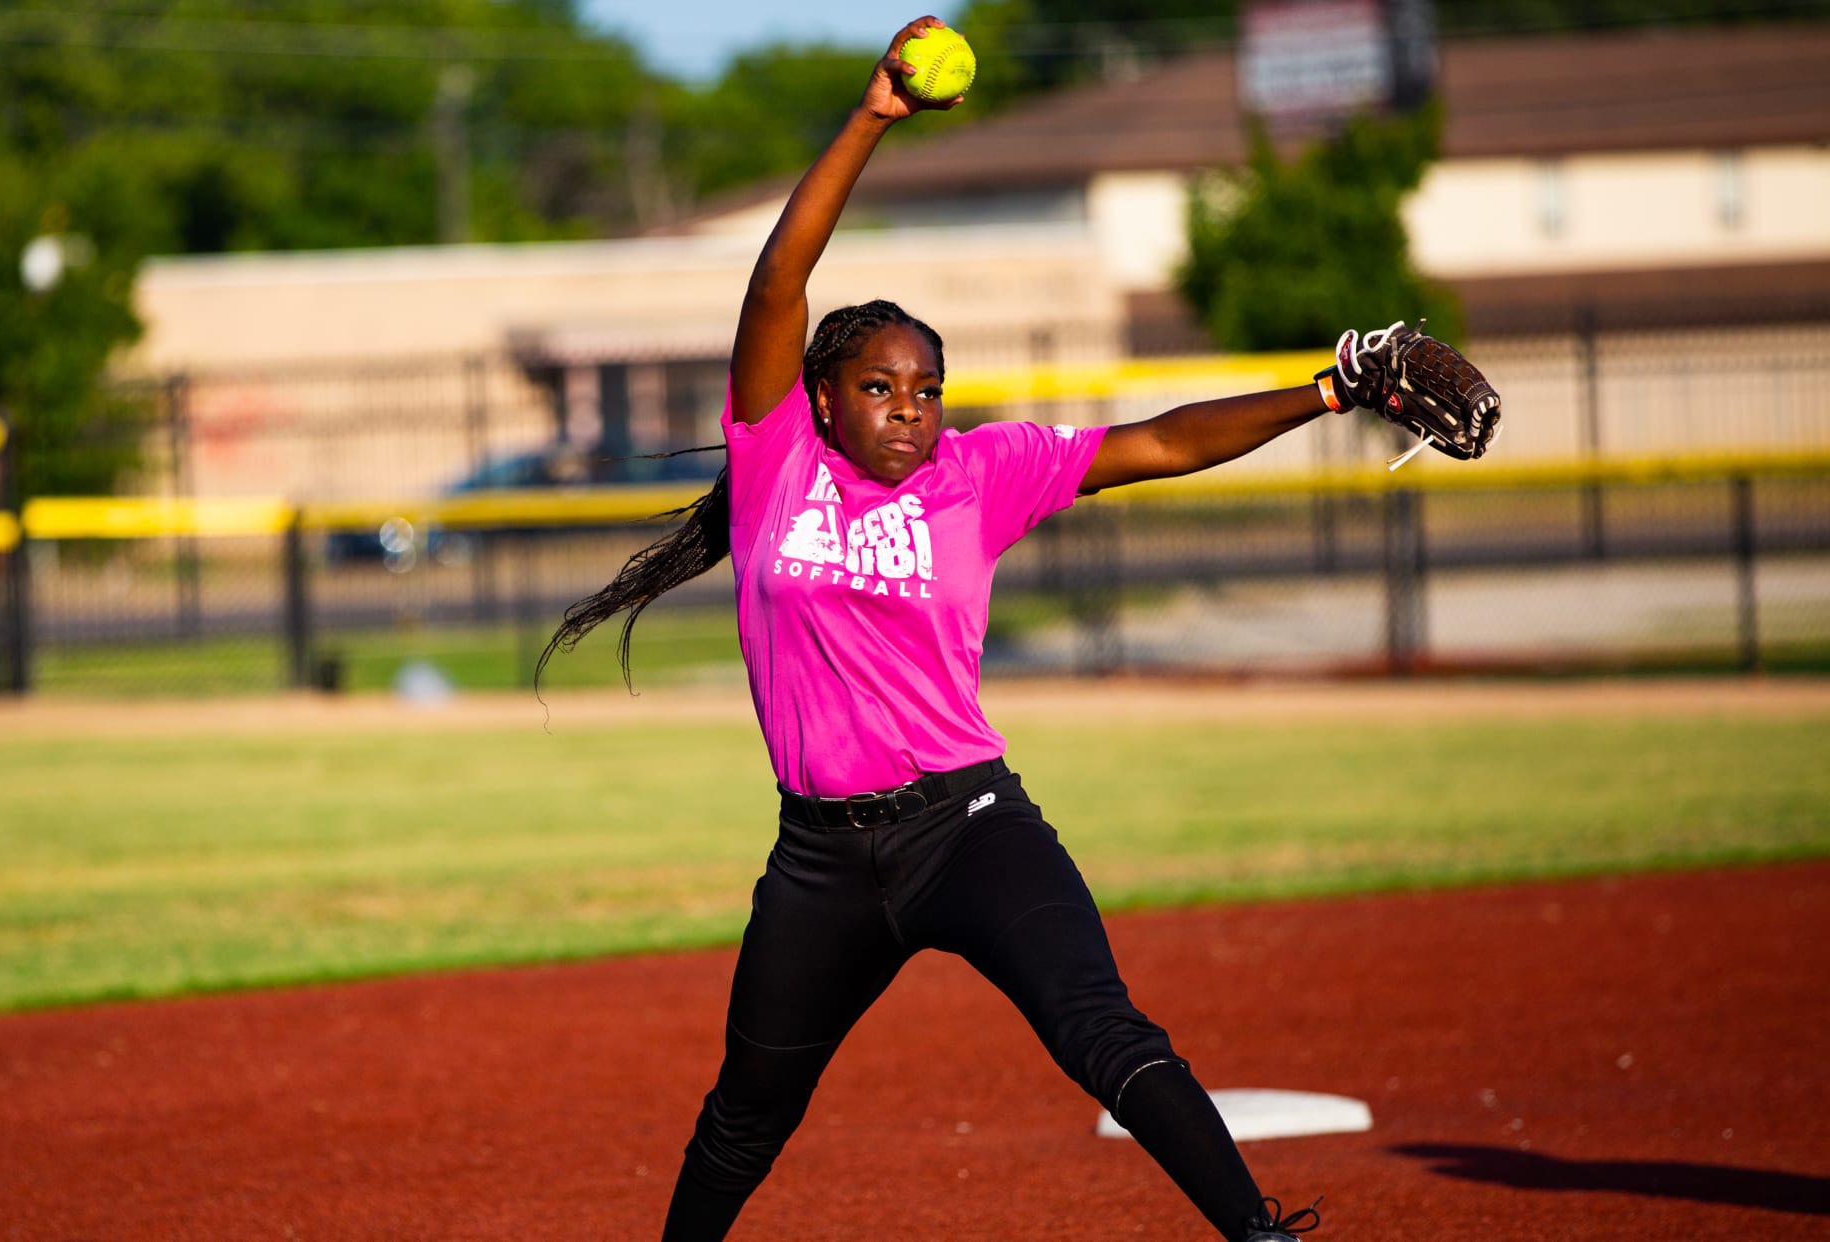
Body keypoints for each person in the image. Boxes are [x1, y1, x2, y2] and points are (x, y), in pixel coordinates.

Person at [537, 17, 1350, 1241]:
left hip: (969, 827)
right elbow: (776, 285)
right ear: (822, 398)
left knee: (1102, 1031)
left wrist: (1330, 388)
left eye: (926, 389)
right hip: (821, 863)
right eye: (878, 386)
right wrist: (873, 115)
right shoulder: (776, 465)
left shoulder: (980, 475)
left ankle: (1262, 1236)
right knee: (747, 1112)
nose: (908, 409)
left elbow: (1165, 442)